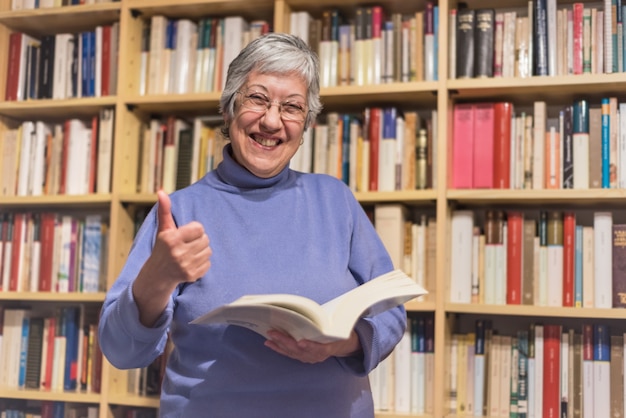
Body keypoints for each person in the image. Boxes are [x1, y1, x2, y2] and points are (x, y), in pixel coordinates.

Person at [98, 32, 407, 418]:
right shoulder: (180, 212)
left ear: (306, 124)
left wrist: (344, 342)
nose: (272, 121)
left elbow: (392, 310)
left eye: (292, 107)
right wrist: (155, 281)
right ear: (229, 107)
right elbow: (121, 351)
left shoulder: (335, 199)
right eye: (257, 99)